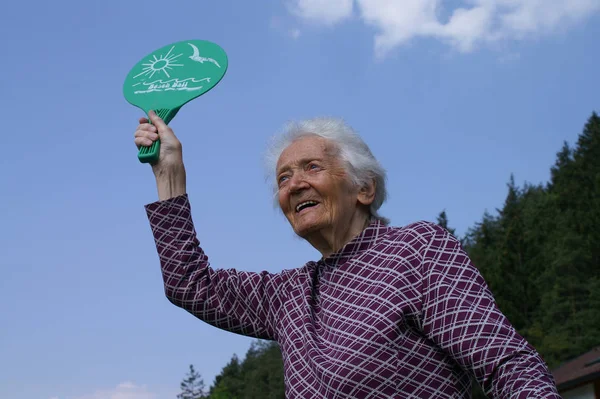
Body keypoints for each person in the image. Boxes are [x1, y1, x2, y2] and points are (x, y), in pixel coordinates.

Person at [134, 111, 561, 398]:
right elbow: (190, 283)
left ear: (364, 188)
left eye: (311, 167)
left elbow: (506, 363)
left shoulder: (415, 249)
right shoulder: (289, 297)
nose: (293, 184)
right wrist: (168, 172)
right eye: (283, 178)